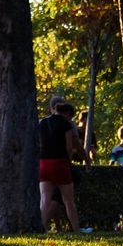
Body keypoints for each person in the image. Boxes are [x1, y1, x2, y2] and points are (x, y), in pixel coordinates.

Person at [39, 97, 84, 231]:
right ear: (66, 112)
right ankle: (76, 230)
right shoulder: (66, 124)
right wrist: (69, 161)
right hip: (60, 163)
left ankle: (40, 228)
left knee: (45, 200)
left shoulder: (42, 123)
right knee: (68, 201)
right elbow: (69, 147)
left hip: (44, 163)